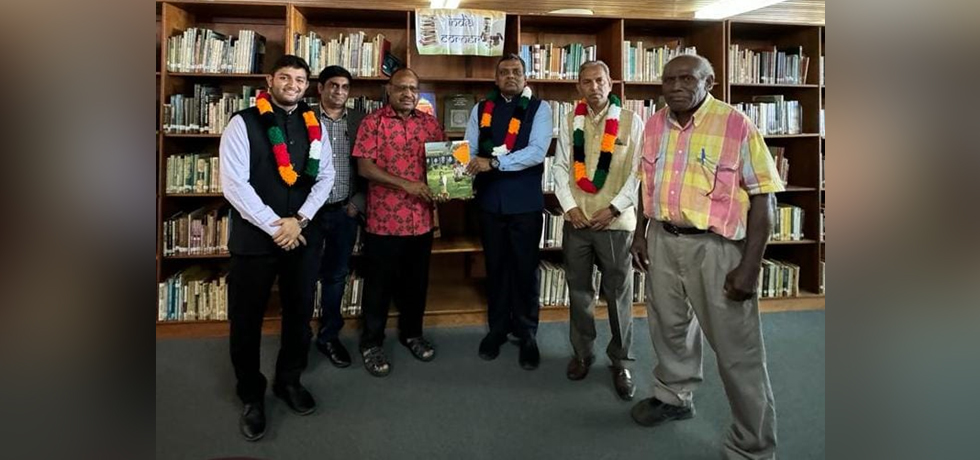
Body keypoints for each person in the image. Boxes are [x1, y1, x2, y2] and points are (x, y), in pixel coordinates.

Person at [630, 54, 783, 460]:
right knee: (669, 328)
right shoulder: (652, 124)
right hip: (663, 239)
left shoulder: (736, 125)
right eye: (669, 79)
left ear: (709, 82)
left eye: (687, 78)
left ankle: (753, 445)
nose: (676, 86)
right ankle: (674, 396)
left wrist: (750, 266)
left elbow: (764, 199)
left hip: (716, 248)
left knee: (738, 351)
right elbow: (647, 185)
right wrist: (641, 236)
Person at [219, 55, 335, 441]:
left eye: (300, 79)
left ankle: (289, 380)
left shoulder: (315, 124)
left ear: (307, 86)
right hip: (255, 240)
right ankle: (251, 394)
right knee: (246, 318)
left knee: (300, 312)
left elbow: (326, 177)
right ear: (270, 80)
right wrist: (275, 225)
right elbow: (234, 184)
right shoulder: (242, 122)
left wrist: (298, 220)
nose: (293, 84)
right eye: (285, 77)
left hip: (302, 236)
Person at [552, 60, 642, 400]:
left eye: (600, 80)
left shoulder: (634, 122)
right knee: (579, 292)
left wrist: (615, 208)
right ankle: (582, 353)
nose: (594, 87)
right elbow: (560, 167)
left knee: (618, 296)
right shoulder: (568, 121)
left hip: (616, 224)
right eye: (587, 82)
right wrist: (569, 206)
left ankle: (621, 361)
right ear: (578, 87)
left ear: (610, 82)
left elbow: (639, 174)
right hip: (577, 222)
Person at [353, 68, 445, 377]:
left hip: (420, 221)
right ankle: (371, 343)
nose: (408, 94)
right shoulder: (373, 123)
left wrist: (446, 187)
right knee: (378, 286)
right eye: (402, 88)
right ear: (389, 90)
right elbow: (365, 168)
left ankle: (412, 334)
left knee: (416, 285)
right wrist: (405, 184)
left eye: (414, 88)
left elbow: (442, 166)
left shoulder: (430, 124)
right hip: (383, 222)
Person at [464, 54, 553, 369]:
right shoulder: (481, 109)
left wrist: (496, 163)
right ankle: (498, 329)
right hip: (489, 202)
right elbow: (470, 150)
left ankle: (527, 332)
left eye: (517, 71)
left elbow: (537, 152)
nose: (511, 76)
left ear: (526, 76)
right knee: (496, 267)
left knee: (525, 269)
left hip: (525, 204)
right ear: (496, 77)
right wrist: (456, 173)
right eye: (504, 72)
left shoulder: (540, 109)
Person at [311, 65, 367, 369]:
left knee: (335, 275)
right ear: (320, 88)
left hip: (345, 211)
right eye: (333, 85)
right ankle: (298, 335)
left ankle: (329, 336)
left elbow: (370, 167)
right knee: (303, 276)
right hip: (309, 214)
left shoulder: (359, 121)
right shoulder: (303, 118)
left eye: (345, 87)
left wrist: (356, 203)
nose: (339, 92)